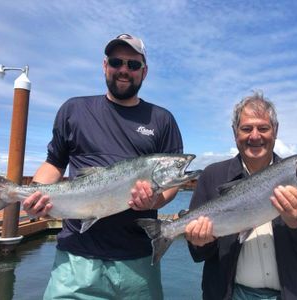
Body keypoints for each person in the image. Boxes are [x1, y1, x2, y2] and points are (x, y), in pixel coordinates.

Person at [23, 33, 183, 299]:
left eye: (133, 65)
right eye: (116, 62)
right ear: (104, 65)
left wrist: (154, 202)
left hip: (138, 262)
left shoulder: (162, 119)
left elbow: (171, 186)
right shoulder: (74, 109)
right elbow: (54, 163)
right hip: (75, 260)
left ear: (145, 72)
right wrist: (33, 195)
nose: (123, 70)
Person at [184, 91, 297, 300]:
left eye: (263, 128)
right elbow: (199, 255)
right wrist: (198, 241)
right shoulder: (212, 175)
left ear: (275, 131)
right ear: (235, 133)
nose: (255, 136)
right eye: (247, 128)